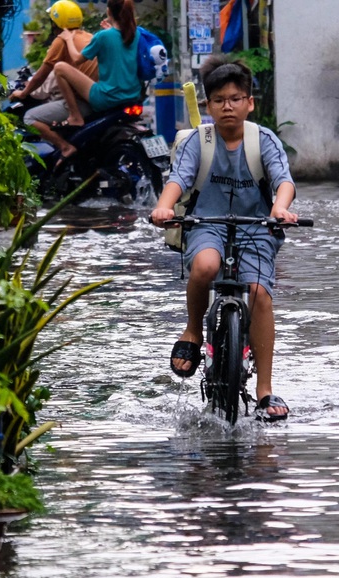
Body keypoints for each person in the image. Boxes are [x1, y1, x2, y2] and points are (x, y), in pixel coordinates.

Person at [150, 57, 298, 423]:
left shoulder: (263, 140)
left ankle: (264, 390)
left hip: (257, 227)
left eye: (235, 98)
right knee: (205, 265)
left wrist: (280, 208)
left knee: (260, 293)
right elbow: (178, 181)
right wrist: (164, 207)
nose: (227, 106)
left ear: (249, 103)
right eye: (219, 100)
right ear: (208, 105)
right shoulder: (196, 142)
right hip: (206, 224)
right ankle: (192, 330)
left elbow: (284, 182)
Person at [50, 0, 143, 160]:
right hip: (132, 96)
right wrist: (109, 32)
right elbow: (118, 45)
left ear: (108, 12)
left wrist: (68, 39)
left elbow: (76, 59)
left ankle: (75, 116)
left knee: (60, 67)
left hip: (107, 97)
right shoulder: (135, 33)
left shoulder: (103, 36)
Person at [9, 1, 99, 151]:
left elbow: (41, 76)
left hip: (81, 103)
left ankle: (65, 148)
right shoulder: (88, 37)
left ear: (56, 23)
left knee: (30, 117)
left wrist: (23, 93)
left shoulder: (62, 40)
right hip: (95, 98)